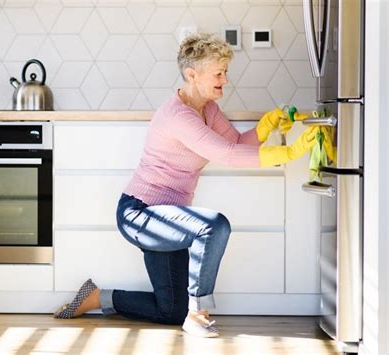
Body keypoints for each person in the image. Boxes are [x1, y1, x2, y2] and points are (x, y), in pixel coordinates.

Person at [54, 33, 318, 337]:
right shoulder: (177, 115)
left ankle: (98, 297)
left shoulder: (208, 110)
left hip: (169, 217)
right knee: (215, 226)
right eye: (218, 73)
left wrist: (265, 126)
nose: (225, 80)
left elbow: (233, 143)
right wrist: (290, 152)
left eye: (225, 72)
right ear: (192, 75)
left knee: (170, 311)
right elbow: (229, 155)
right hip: (140, 213)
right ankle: (198, 313)